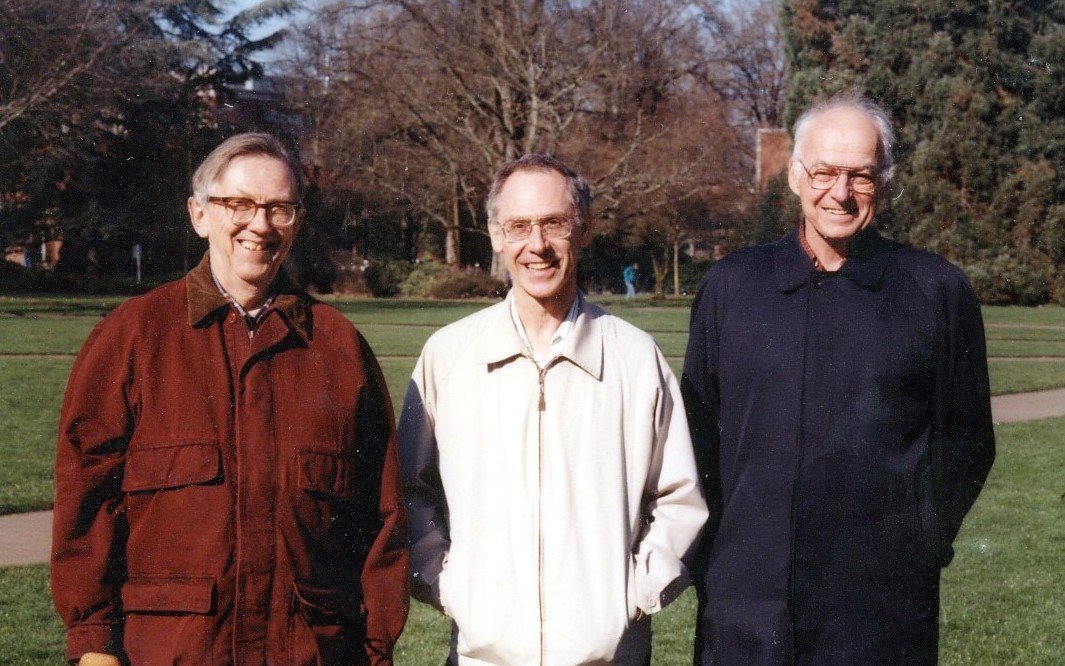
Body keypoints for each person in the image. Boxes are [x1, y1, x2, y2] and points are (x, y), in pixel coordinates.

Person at [51, 133, 409, 666]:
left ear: (297, 221)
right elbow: (86, 501)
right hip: (169, 653)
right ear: (199, 215)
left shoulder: (339, 350)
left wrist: (375, 653)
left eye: (279, 209)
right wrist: (94, 645)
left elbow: (381, 522)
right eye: (239, 204)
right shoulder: (132, 337)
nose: (259, 225)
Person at [682, 90, 996, 664]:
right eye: (824, 172)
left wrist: (917, 540)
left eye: (861, 176)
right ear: (796, 176)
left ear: (885, 181)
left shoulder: (935, 290)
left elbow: (968, 443)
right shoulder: (732, 287)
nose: (841, 193)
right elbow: (696, 436)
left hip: (880, 606)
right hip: (749, 600)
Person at [399, 154, 707, 665]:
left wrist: (637, 591)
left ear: (582, 232)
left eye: (554, 224)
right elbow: (409, 489)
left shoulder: (634, 357)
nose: (536, 245)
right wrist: (445, 582)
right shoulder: (449, 355)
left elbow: (679, 497)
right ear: (496, 235)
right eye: (518, 226)